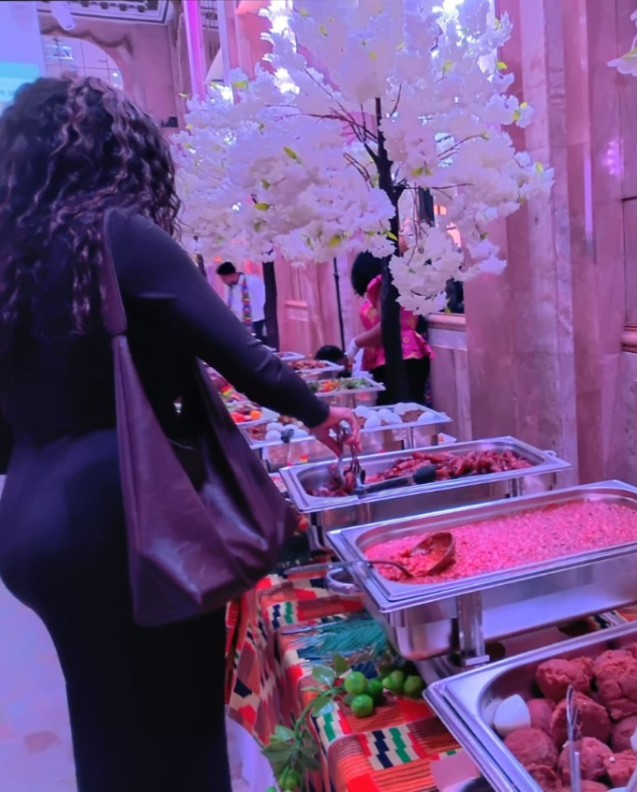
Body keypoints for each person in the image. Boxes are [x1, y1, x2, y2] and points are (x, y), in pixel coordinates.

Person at [0, 77, 360, 791]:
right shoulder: (118, 233)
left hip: (33, 525)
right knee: (182, 729)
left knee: (105, 720)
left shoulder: (13, 259)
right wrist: (321, 414)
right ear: (122, 154)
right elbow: (245, 355)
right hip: (131, 521)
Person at [347, 251, 433, 405]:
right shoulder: (397, 283)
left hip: (395, 356)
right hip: (408, 353)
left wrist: (356, 343)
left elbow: (388, 325)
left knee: (395, 411)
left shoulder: (383, 284)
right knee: (410, 408)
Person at [217, 261, 268, 343]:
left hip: (254, 321)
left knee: (254, 345)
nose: (222, 281)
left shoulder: (254, 282)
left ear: (231, 275)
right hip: (237, 323)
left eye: (223, 278)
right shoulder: (230, 287)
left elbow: (262, 300)